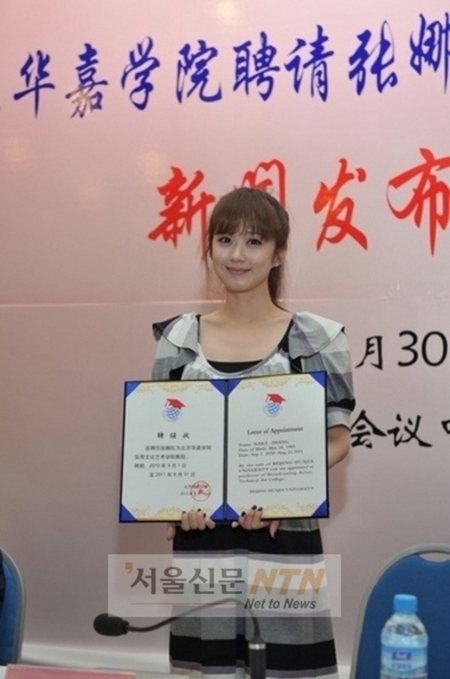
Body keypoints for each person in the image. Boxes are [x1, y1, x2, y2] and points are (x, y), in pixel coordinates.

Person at [151, 187, 355, 679]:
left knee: (287, 668)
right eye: (225, 240)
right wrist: (173, 503)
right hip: (203, 542)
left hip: (283, 537)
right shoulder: (177, 340)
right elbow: (163, 441)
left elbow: (338, 438)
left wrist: (284, 490)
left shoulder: (317, 339)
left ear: (279, 253)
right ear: (209, 248)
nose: (237, 255)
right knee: (207, 669)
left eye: (255, 241)